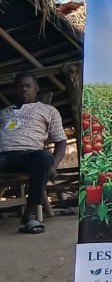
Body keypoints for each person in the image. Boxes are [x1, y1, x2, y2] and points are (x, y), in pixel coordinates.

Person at [0, 71, 65, 233]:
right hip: (3, 157)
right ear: (15, 89)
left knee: (44, 157)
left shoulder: (48, 110)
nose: (23, 89)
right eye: (20, 86)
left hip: (29, 157)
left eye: (27, 86)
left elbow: (61, 141)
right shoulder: (3, 113)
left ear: (36, 88)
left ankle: (29, 216)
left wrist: (53, 165)